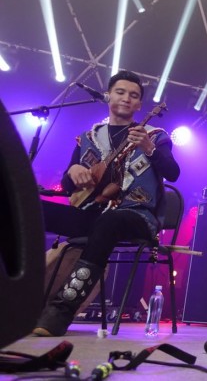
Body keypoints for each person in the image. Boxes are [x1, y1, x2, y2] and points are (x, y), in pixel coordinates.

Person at [33, 71, 180, 336]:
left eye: (133, 95)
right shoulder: (89, 138)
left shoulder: (154, 136)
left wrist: (149, 148)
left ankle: (60, 312)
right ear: (108, 96)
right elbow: (68, 187)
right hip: (93, 214)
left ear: (139, 104)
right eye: (120, 92)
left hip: (137, 216)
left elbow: (173, 173)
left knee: (109, 221)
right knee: (30, 211)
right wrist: (73, 171)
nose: (126, 98)